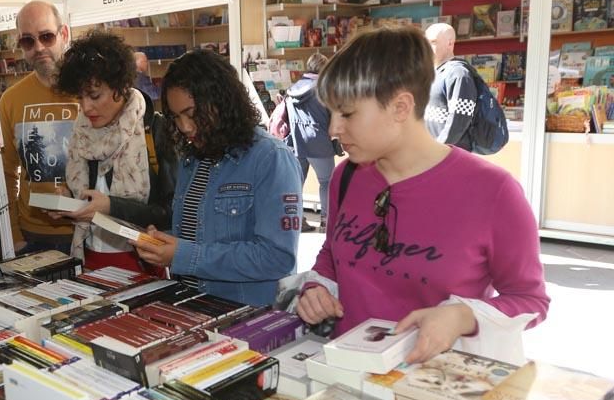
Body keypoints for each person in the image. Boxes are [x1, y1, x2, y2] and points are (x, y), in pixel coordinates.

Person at [295, 26, 549, 365]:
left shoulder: (494, 192)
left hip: (438, 389)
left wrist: (463, 316)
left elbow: (530, 301)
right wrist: (316, 288)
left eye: (348, 113)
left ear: (400, 107)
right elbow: (332, 253)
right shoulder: (346, 177)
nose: (333, 129)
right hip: (348, 376)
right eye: (331, 113)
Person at [133, 49, 302, 307]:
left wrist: (183, 255)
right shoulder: (193, 158)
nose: (185, 127)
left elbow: (277, 257)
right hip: (191, 307)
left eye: (192, 113)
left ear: (223, 102)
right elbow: (202, 232)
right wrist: (162, 242)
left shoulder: (271, 158)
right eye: (177, 117)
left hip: (244, 316)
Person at [52, 30, 176, 271]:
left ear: (121, 86)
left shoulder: (154, 129)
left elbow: (171, 214)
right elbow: (90, 199)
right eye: (80, 98)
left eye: (95, 96)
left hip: (142, 264)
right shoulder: (82, 135)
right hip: (89, 262)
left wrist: (111, 206)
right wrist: (68, 203)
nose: (86, 107)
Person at [0, 0, 79, 255]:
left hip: (88, 232)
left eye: (46, 36)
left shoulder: (91, 91)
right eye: (28, 41)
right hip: (32, 237)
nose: (39, 48)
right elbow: (6, 174)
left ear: (63, 34)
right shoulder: (11, 100)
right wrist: (14, 236)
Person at [283, 53, 340, 232]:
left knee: (296, 184)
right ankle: (326, 221)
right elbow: (334, 118)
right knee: (326, 182)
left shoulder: (292, 89)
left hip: (298, 144)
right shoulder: (324, 90)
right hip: (320, 143)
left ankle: (297, 221)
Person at [425, 22, 478, 150]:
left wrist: (438, 150)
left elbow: (460, 120)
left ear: (449, 43)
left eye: (433, 42)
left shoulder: (459, 74)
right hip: (428, 154)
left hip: (449, 155)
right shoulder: (431, 73)